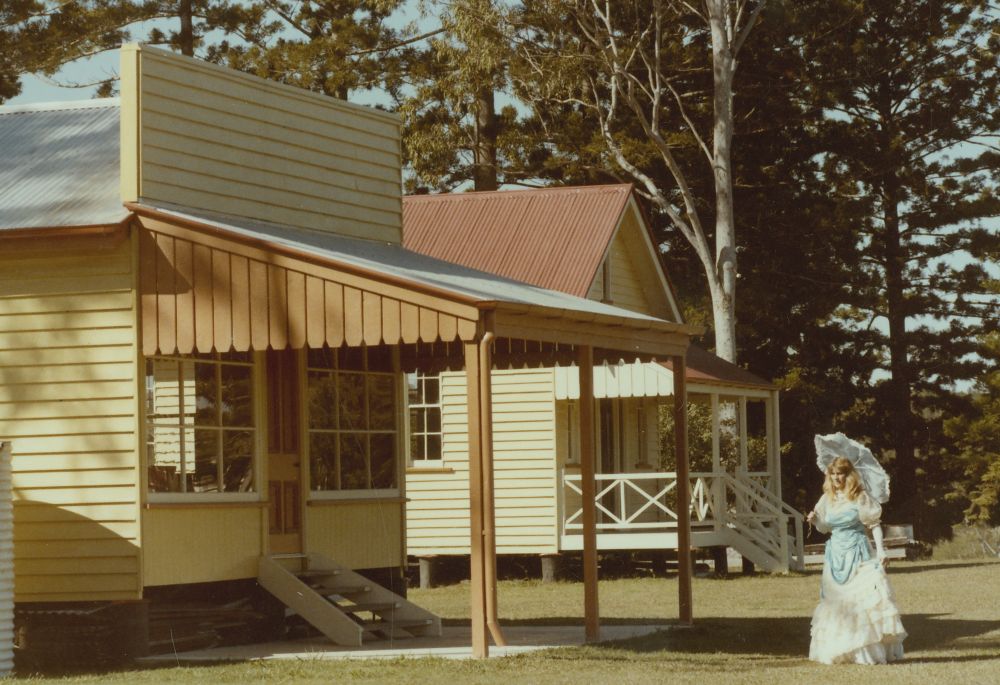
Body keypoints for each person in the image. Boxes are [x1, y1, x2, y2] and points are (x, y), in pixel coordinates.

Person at [806, 456, 907, 664]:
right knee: (836, 602)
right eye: (832, 474)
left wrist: (881, 550)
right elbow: (825, 527)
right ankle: (841, 650)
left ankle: (866, 652)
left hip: (858, 551)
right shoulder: (827, 498)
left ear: (848, 474)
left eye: (840, 474)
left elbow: (874, 524)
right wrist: (815, 520)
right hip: (836, 553)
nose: (836, 478)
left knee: (864, 599)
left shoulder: (860, 496)